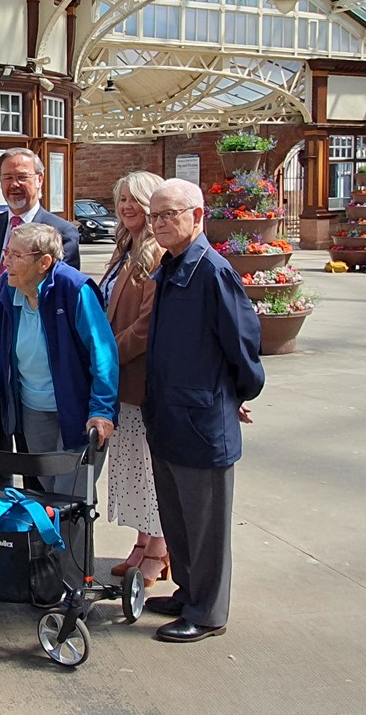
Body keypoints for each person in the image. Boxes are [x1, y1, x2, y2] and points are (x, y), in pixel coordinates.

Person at [142, 178, 265, 643]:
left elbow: (243, 345)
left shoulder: (212, 271)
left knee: (206, 525)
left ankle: (209, 612)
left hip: (202, 419)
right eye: (155, 216)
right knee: (177, 517)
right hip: (169, 416)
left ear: (198, 216)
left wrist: (236, 396)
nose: (160, 224)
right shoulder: (172, 266)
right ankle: (188, 592)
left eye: (170, 214)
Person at [0, 222, 118, 586]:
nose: (6, 263)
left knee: (70, 498)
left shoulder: (73, 289)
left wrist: (102, 409)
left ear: (44, 262)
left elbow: (103, 354)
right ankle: (44, 574)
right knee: (45, 495)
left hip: (76, 414)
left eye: (16, 256)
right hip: (33, 408)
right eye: (7, 254)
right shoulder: (9, 288)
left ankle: (72, 582)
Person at [0, 149, 80, 485]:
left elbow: (57, 304)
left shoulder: (61, 233)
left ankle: (34, 535)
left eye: (22, 177)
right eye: (7, 178)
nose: (14, 185)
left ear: (40, 181)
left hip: (35, 373)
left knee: (36, 466)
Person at [99, 171, 169, 586]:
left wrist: (105, 355)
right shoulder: (127, 249)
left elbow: (146, 326)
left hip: (139, 379)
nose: (127, 206)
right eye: (121, 198)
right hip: (121, 382)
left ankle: (159, 550)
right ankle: (143, 542)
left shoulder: (157, 252)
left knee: (149, 469)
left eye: (135, 199)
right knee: (133, 471)